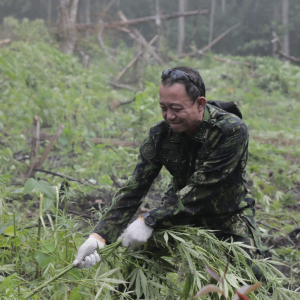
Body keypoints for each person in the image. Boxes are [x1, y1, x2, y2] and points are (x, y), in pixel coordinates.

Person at [72, 66, 268, 270]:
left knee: (251, 276)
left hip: (227, 214)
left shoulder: (230, 130)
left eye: (176, 108)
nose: (169, 116)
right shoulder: (160, 135)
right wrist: (99, 237)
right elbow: (134, 188)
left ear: (200, 104)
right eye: (163, 108)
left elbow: (203, 188)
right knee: (138, 261)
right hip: (178, 212)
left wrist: (149, 219)